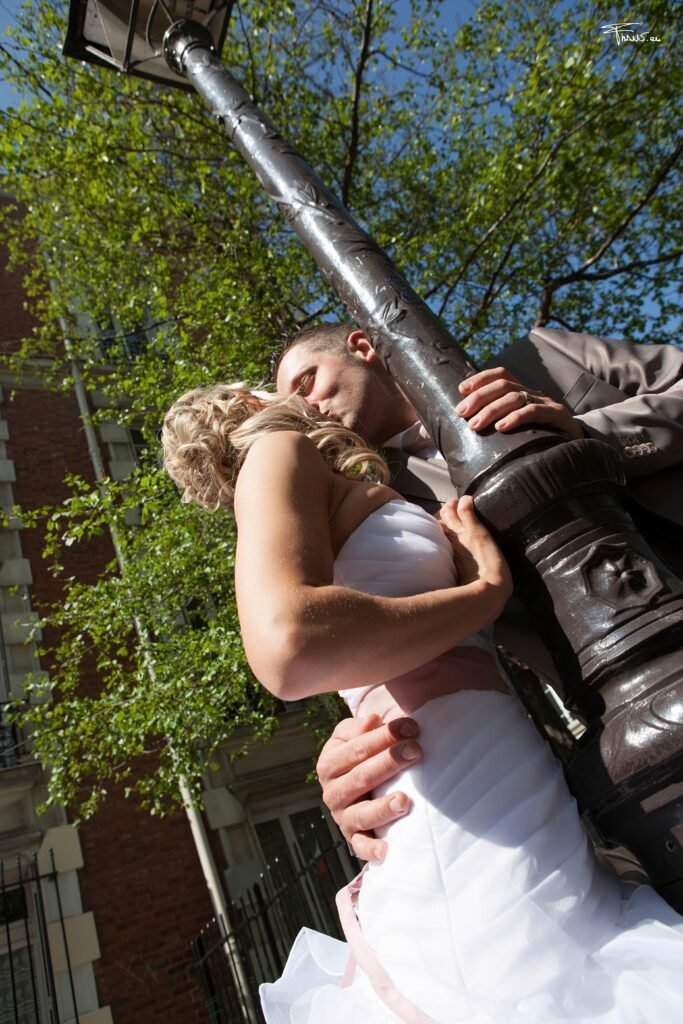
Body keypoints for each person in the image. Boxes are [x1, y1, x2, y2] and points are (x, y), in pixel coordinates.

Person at [162, 384, 683, 1024]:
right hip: (451, 782)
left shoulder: (321, 473)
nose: (292, 392)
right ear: (242, 403)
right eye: (275, 383)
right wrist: (485, 592)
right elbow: (288, 642)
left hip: (498, 767)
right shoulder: (277, 447)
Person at [274, 323, 683, 860]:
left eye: (306, 382)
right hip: (633, 719)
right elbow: (392, 650)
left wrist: (590, 438)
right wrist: (357, 753)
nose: (307, 410)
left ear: (362, 346)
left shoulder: (544, 355)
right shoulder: (382, 514)